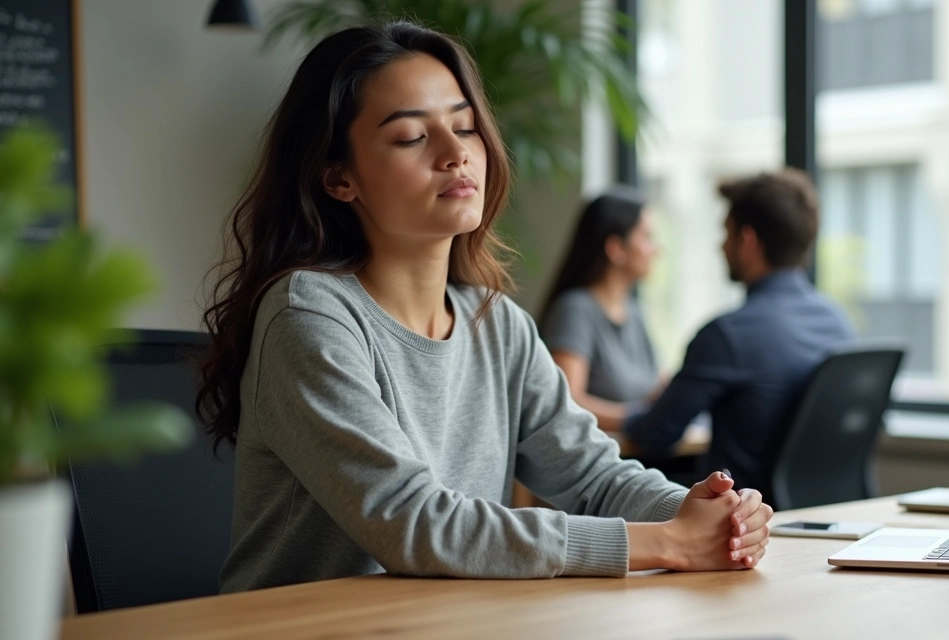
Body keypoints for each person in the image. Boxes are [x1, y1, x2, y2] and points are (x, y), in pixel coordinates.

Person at [195, 21, 773, 592]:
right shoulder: (308, 316)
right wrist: (667, 542)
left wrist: (710, 514)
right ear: (339, 178)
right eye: (410, 137)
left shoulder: (497, 324)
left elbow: (592, 475)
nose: (456, 154)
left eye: (466, 128)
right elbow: (412, 523)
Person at [619, 169, 855, 502]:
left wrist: (629, 415)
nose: (721, 246)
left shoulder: (726, 336)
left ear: (747, 241)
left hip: (745, 527)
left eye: (725, 233)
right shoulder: (838, 323)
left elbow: (658, 434)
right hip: (827, 519)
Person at [539, 188, 664, 431]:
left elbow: (658, 387)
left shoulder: (634, 312)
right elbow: (568, 400)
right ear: (616, 248)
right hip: (600, 463)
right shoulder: (574, 310)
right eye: (647, 237)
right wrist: (633, 420)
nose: (656, 249)